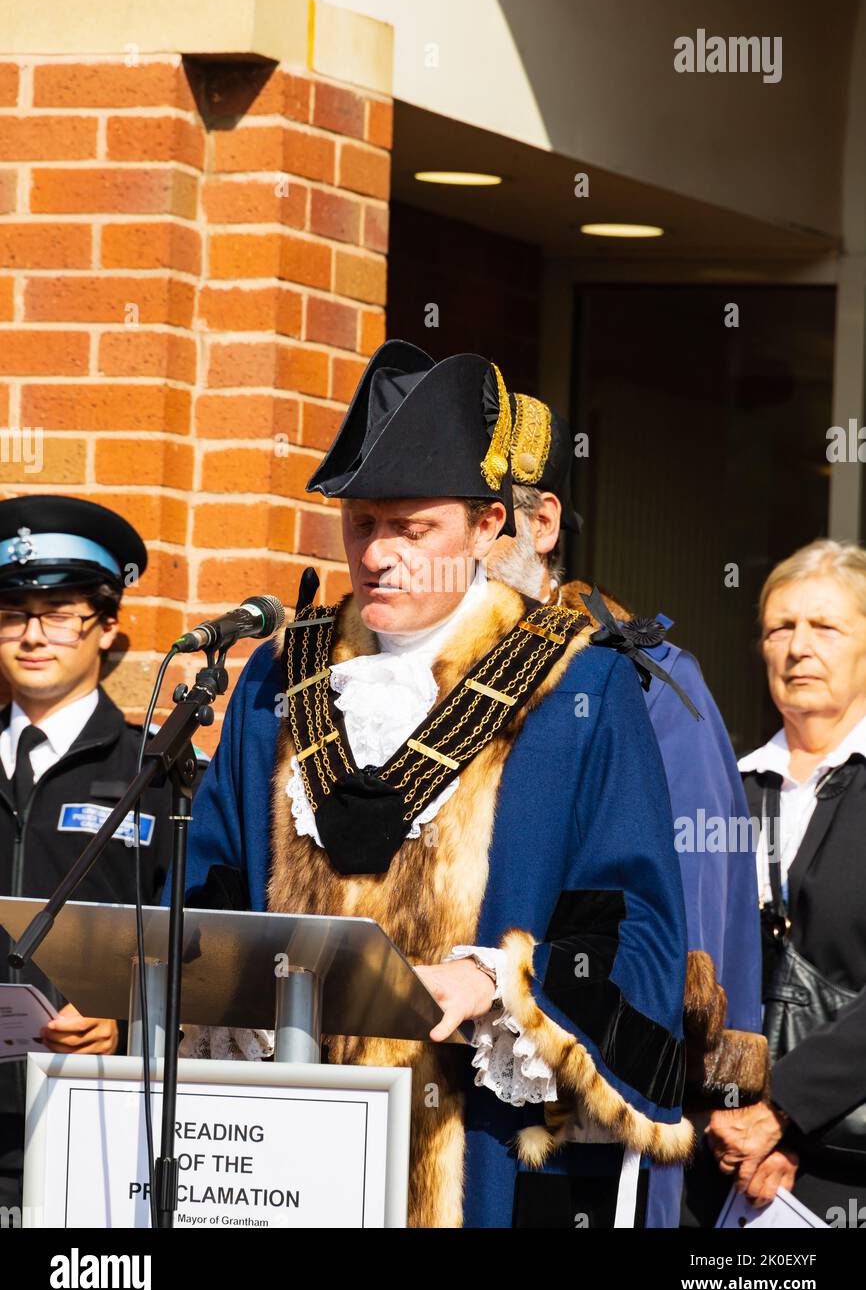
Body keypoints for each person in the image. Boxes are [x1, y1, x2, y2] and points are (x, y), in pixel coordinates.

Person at [176, 340, 694, 1228]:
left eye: (412, 529)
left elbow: (637, 928)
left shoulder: (580, 684)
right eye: (362, 523)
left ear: (488, 525)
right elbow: (211, 886)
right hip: (281, 1159)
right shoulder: (274, 680)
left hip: (485, 1154)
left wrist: (498, 984)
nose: (379, 553)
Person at [485, 393, 765, 1228]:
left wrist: (723, 1086)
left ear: (540, 526)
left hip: (590, 1108)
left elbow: (698, 903)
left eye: (481, 521)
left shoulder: (648, 679)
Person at [0, 494, 206, 1218]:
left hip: (92, 1113)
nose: (32, 636)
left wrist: (128, 1027)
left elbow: (200, 948)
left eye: (59, 614)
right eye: (12, 614)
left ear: (108, 627)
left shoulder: (163, 779)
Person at [707, 540, 866, 1222]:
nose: (799, 647)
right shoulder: (722, 791)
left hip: (849, 1167)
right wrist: (738, 1120)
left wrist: (786, 1112)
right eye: (781, 628)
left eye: (825, 627)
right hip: (724, 1159)